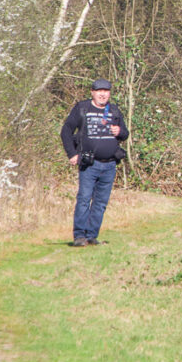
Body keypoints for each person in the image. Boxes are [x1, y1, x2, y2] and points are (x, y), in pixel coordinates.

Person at [60, 79, 129, 247]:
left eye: (106, 91)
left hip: (110, 164)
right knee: (84, 199)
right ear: (92, 92)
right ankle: (79, 236)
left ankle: (91, 236)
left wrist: (120, 131)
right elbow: (66, 131)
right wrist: (72, 154)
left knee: (100, 202)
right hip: (89, 164)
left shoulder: (113, 110)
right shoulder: (82, 108)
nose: (103, 94)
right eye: (99, 91)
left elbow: (125, 133)